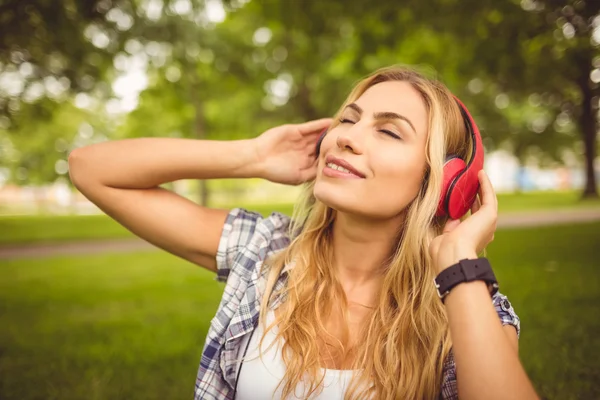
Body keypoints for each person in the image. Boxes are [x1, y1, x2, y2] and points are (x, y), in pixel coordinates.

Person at [69, 66, 539, 400]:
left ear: (444, 184)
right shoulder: (266, 252)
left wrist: (458, 259)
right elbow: (90, 168)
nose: (347, 136)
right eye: (349, 119)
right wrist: (250, 157)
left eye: (389, 132)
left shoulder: (468, 306)